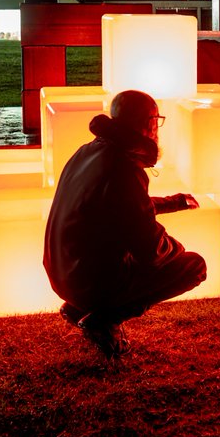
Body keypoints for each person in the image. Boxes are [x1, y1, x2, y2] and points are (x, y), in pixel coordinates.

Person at [44, 89, 206, 357]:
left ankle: (79, 308)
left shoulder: (87, 152)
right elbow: (150, 250)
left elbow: (120, 206)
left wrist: (174, 202)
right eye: (158, 120)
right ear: (149, 123)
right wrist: (176, 250)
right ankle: (102, 318)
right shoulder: (124, 168)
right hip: (86, 282)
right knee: (194, 266)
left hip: (61, 273)